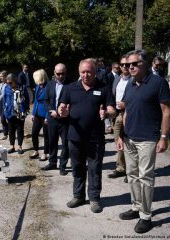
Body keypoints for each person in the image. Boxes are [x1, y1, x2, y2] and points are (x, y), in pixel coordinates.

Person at [117, 49, 170, 234]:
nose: (129, 67)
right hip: (129, 138)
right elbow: (127, 111)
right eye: (126, 65)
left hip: (148, 138)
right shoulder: (131, 84)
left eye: (134, 64)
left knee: (145, 177)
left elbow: (166, 111)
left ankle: (146, 216)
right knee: (131, 174)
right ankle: (136, 206)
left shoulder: (158, 83)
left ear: (145, 64)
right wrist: (121, 135)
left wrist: (164, 137)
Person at [58, 58, 116, 213]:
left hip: (95, 138)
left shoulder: (104, 88)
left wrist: (107, 113)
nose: (85, 75)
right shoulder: (70, 88)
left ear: (95, 72)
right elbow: (61, 107)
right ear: (79, 72)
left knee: (94, 169)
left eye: (89, 71)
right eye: (83, 72)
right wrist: (62, 111)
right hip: (75, 137)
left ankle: (95, 199)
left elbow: (112, 109)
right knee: (77, 168)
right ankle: (78, 196)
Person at [41, 63, 70, 176]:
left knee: (65, 143)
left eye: (63, 73)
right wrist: (51, 111)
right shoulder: (49, 84)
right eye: (58, 74)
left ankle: (62, 166)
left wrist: (67, 111)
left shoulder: (70, 84)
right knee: (52, 142)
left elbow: (73, 101)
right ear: (54, 73)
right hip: (53, 118)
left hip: (65, 120)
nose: (61, 76)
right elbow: (46, 100)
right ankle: (52, 162)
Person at [107, 55, 130, 183]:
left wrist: (126, 104)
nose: (125, 67)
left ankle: (132, 170)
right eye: (122, 65)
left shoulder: (134, 79)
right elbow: (112, 94)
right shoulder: (116, 79)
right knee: (118, 141)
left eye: (127, 65)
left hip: (129, 114)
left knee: (130, 143)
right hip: (117, 114)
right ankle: (121, 167)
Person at [3, 73, 29, 154]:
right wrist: (5, 111)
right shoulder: (7, 88)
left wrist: (26, 109)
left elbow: (27, 99)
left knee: (20, 130)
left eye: (10, 82)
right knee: (11, 130)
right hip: (10, 112)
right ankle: (12, 146)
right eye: (7, 83)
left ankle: (20, 147)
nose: (9, 84)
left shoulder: (22, 87)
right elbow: (4, 100)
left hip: (20, 112)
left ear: (15, 81)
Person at [30, 69, 49, 161]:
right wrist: (33, 113)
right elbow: (36, 100)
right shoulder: (38, 86)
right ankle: (36, 150)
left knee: (46, 135)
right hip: (37, 113)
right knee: (34, 133)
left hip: (45, 114)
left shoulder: (48, 86)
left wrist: (47, 116)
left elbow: (49, 103)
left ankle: (45, 153)